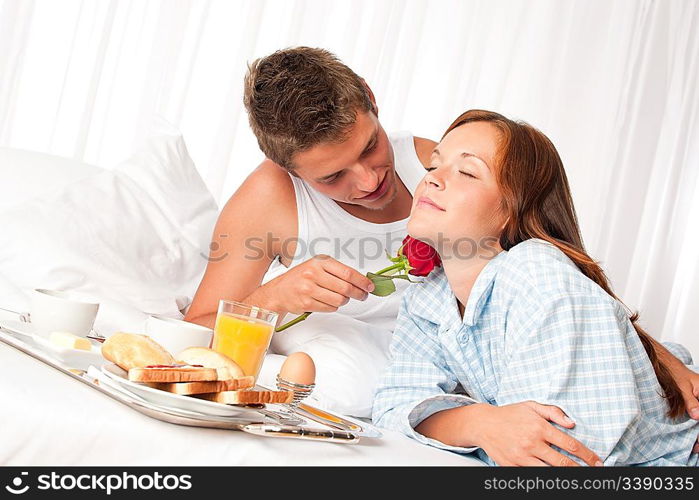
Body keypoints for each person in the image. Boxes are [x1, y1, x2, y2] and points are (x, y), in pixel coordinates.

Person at [184, 47, 698, 452]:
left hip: (514, 379)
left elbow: (553, 265)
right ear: (290, 169)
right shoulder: (269, 199)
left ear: (370, 97)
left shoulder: (441, 167)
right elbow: (197, 324)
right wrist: (277, 297)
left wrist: (651, 355)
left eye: (370, 147)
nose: (368, 181)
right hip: (432, 384)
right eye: (333, 176)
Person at [372, 109, 699, 466]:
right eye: (434, 166)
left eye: (467, 171)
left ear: (512, 210)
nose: (431, 180)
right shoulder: (428, 297)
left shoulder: (537, 275)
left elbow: (559, 457)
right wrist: (480, 423)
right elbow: (392, 407)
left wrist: (465, 424)